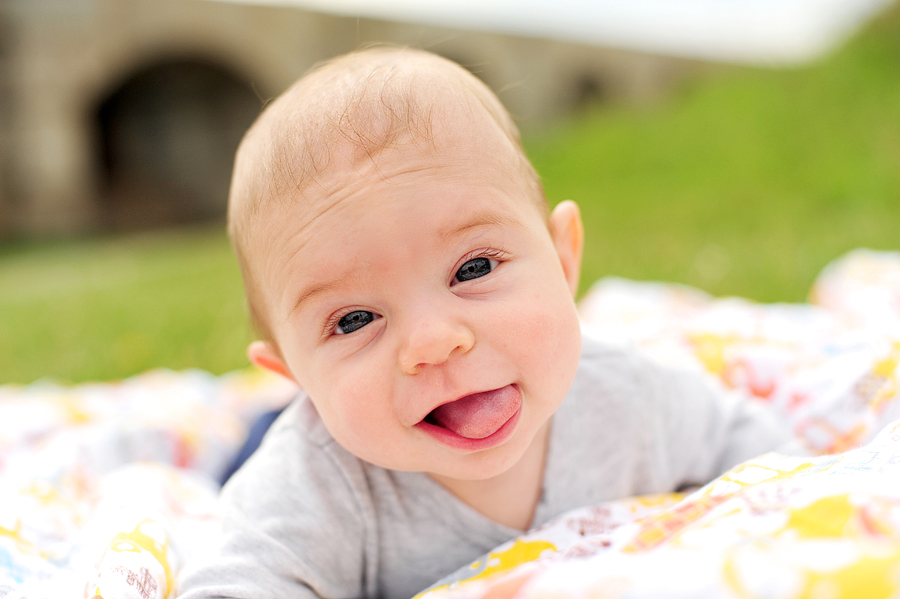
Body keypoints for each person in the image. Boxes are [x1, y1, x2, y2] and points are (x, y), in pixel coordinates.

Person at [178, 46, 788, 599]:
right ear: (294, 373)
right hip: (274, 451)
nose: (434, 341)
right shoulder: (314, 486)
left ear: (564, 258)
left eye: (472, 269)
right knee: (245, 456)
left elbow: (756, 450)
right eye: (355, 319)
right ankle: (258, 424)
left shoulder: (631, 400)